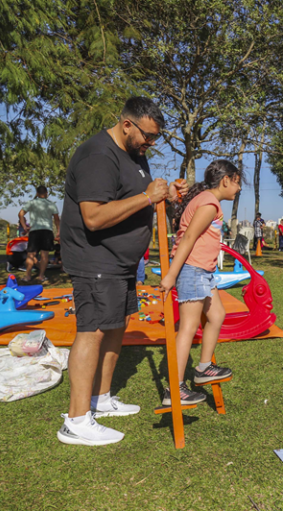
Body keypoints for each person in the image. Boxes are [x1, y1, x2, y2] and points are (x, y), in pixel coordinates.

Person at [58, 97, 186, 446]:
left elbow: (141, 194)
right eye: (147, 135)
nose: (151, 143)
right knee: (93, 330)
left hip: (121, 262)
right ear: (126, 124)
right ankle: (76, 419)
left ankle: (100, 399)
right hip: (94, 258)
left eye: (156, 137)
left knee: (116, 325)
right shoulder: (98, 155)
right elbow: (94, 217)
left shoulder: (135, 154)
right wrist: (147, 198)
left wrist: (167, 194)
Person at [159, 160, 241, 406]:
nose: (237, 190)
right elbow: (189, 238)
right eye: (237, 183)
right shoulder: (208, 203)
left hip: (203, 271)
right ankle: (175, 388)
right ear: (226, 180)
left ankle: (203, 368)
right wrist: (172, 275)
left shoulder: (206, 200)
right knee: (188, 326)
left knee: (217, 315)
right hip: (192, 269)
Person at [18, 185, 60, 283]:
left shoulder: (31, 203)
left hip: (34, 231)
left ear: (37, 194)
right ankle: (41, 276)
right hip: (47, 231)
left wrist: (24, 227)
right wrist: (58, 232)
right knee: (44, 255)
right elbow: (57, 220)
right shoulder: (51, 204)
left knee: (30, 255)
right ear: (46, 194)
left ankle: (27, 276)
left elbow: (20, 214)